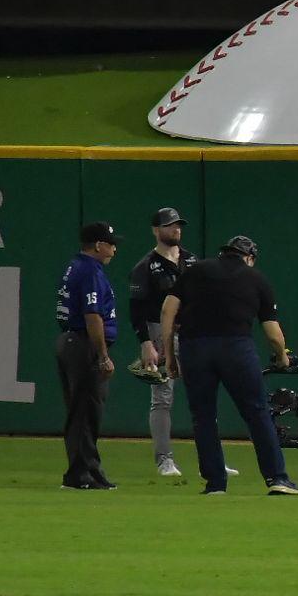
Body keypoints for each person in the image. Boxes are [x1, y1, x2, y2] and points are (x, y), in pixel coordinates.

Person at [160, 236, 298, 496]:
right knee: (257, 413)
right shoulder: (256, 279)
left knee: (203, 417)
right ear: (249, 257)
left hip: (195, 348)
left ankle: (215, 483)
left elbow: (168, 311)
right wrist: (282, 356)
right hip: (235, 348)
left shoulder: (195, 271)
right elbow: (272, 333)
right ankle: (277, 478)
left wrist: (169, 355)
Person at [128, 207, 197, 478]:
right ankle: (164, 459)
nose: (176, 229)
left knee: (202, 394)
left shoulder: (192, 261)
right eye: (169, 225)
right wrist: (145, 342)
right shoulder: (145, 267)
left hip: (192, 331)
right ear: (156, 230)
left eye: (178, 225)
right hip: (159, 331)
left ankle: (211, 458)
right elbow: (136, 310)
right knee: (162, 399)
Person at [54, 221, 121, 491]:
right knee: (85, 412)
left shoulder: (76, 266)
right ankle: (81, 475)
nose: (114, 248)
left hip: (71, 341)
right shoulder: (90, 270)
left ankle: (88, 471)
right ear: (98, 245)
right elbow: (92, 314)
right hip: (83, 345)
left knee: (82, 411)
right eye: (111, 243)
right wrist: (103, 354)